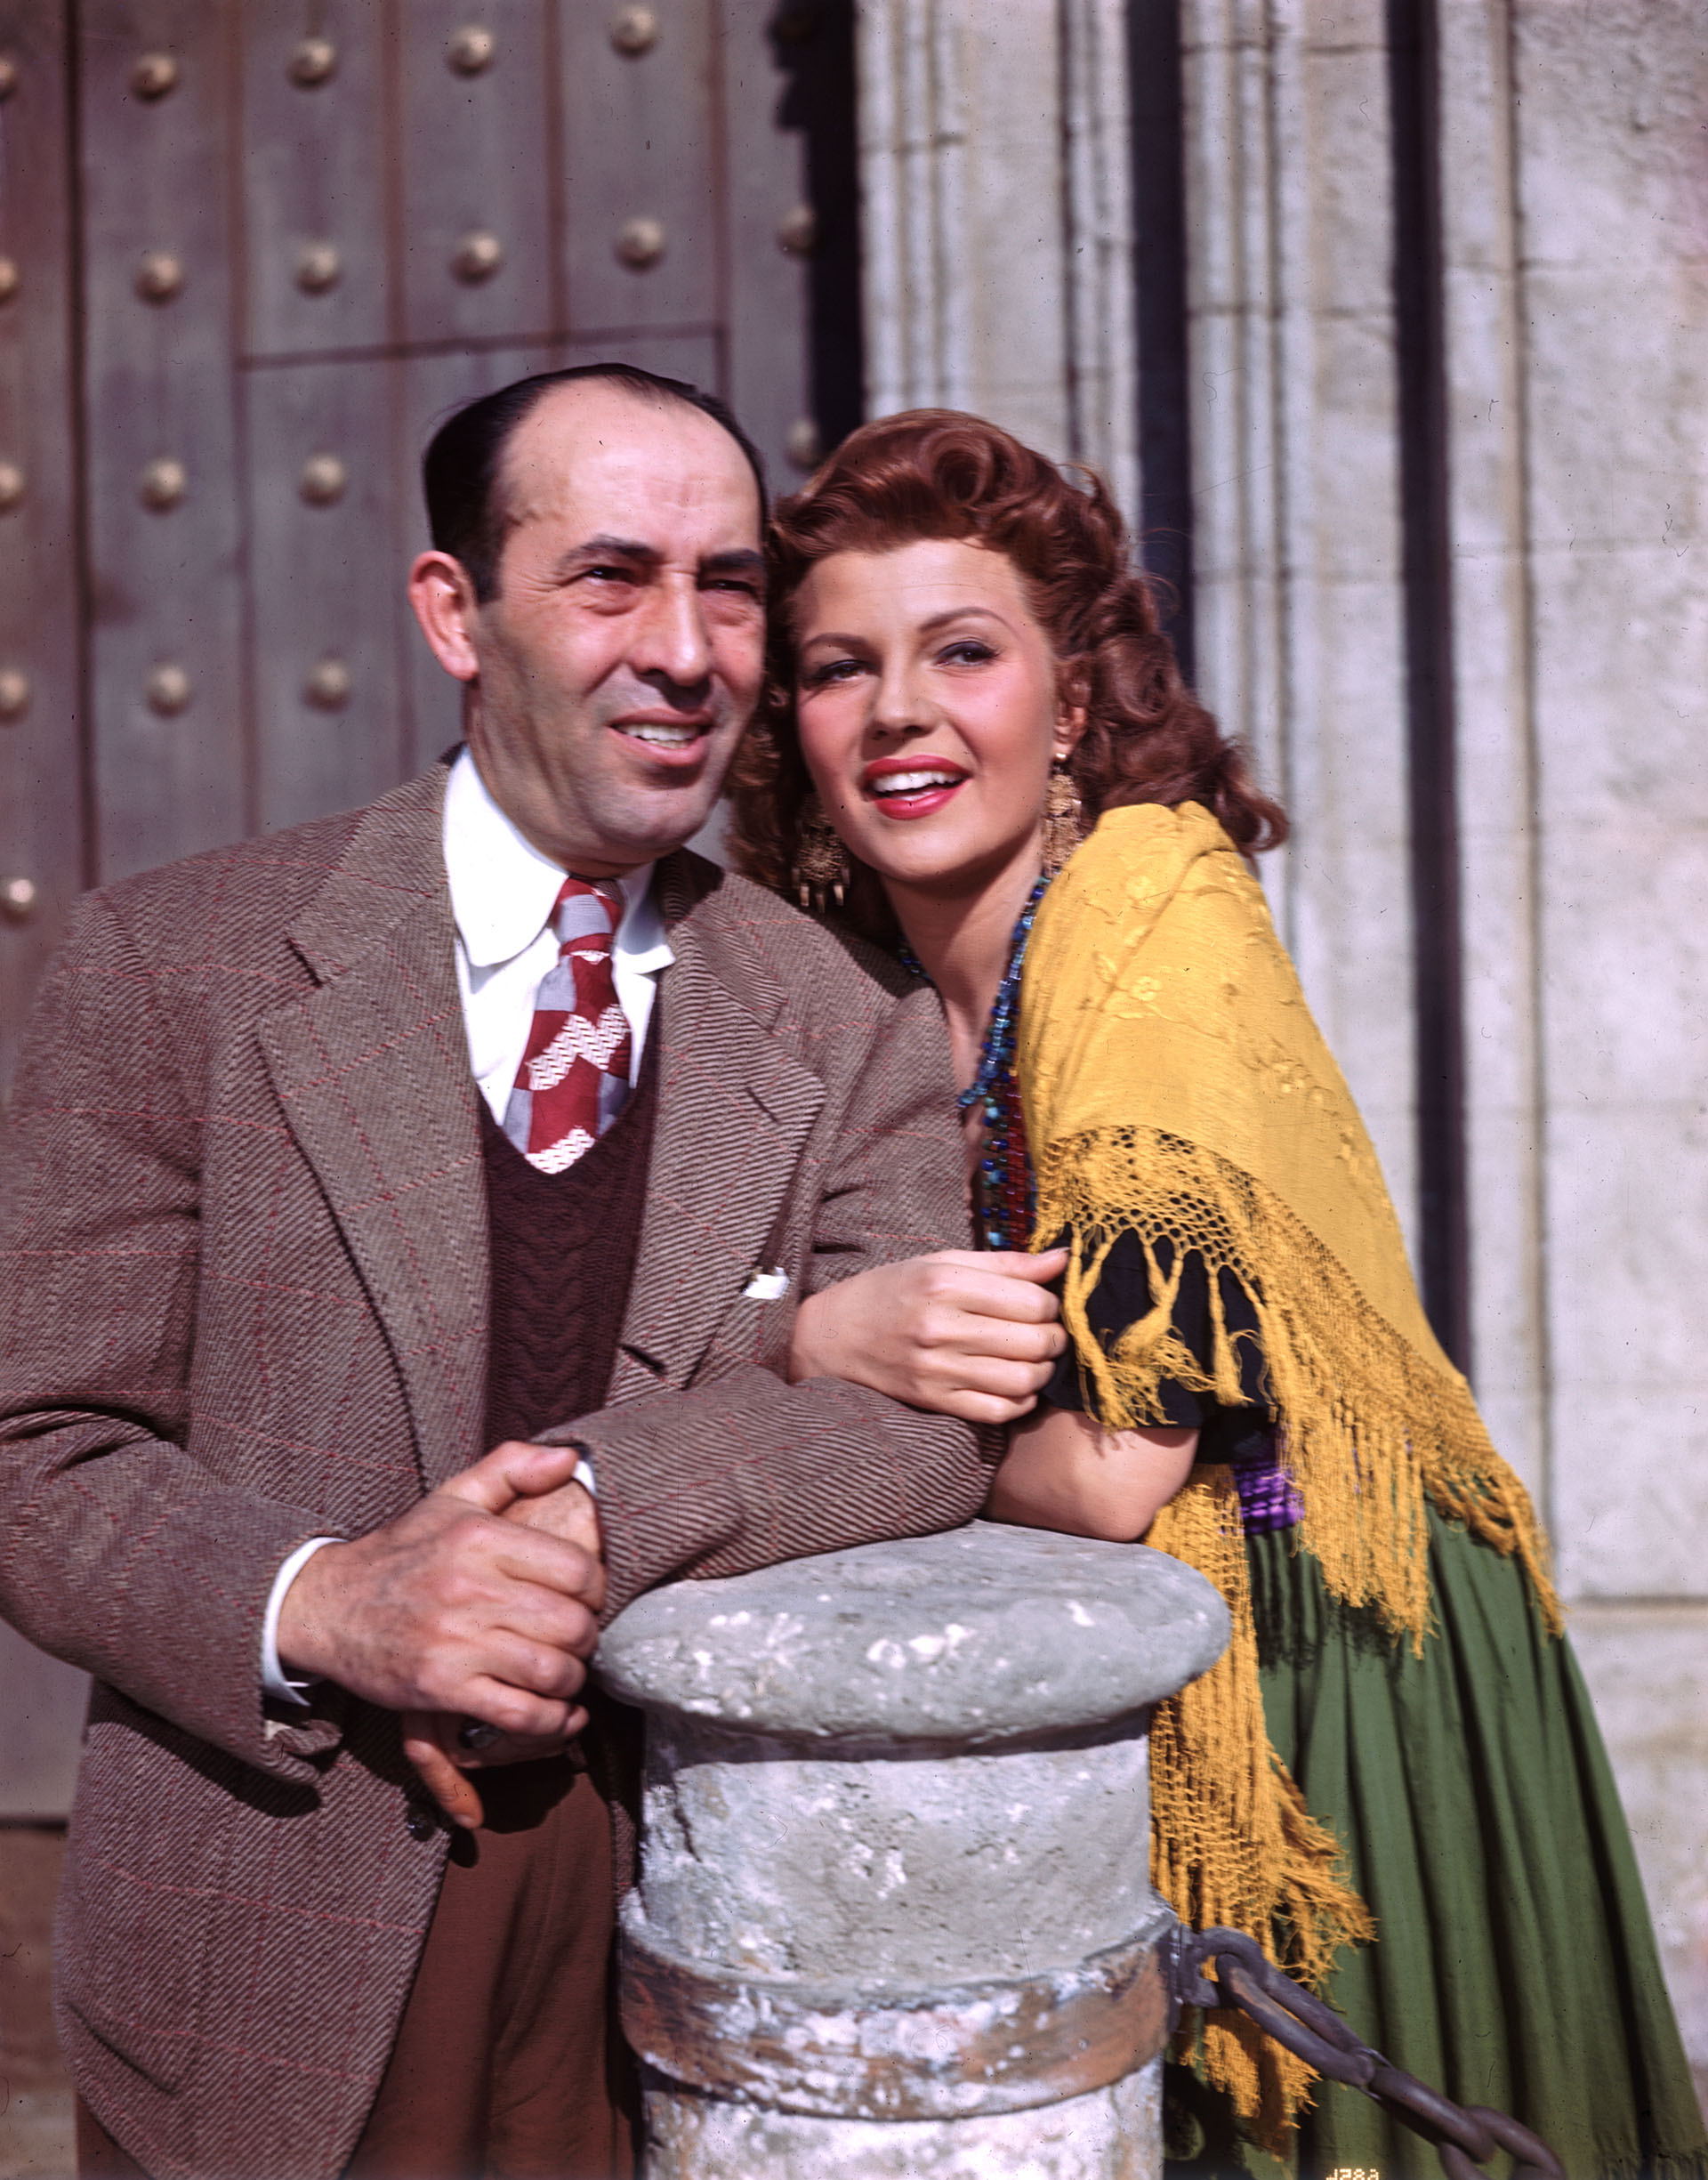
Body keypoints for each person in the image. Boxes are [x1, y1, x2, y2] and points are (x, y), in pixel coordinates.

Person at [0, 367, 996, 2180]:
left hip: (684, 1921)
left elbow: (920, 1431)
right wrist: (331, 1601)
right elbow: (35, 1454)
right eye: (611, 577)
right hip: (266, 1930)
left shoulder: (842, 1017)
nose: (684, 650)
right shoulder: (174, 965)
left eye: (729, 587)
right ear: (455, 613)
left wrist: (602, 1508)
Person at [727, 408, 1708, 2179]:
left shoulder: (1151, 915)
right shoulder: (843, 992)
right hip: (1118, 1663)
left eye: (963, 652)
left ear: (1072, 701)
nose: (897, 713)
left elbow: (1114, 1469)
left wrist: (812, 1361)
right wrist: (817, 1342)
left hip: (1330, 1670)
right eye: (838, 667)